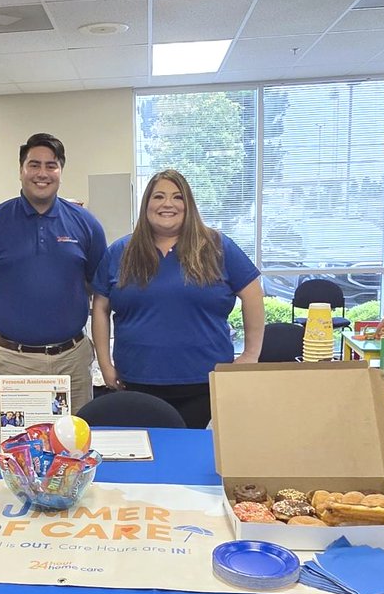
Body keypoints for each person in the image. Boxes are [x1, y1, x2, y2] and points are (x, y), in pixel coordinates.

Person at [92, 169, 263, 429]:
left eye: (177, 197)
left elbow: (252, 294)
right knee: (147, 462)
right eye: (158, 196)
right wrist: (105, 364)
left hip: (203, 382)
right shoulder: (121, 251)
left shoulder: (216, 246)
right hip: (136, 382)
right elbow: (100, 308)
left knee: (194, 461)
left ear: (188, 204)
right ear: (146, 204)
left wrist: (251, 354)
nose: (167, 204)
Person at [0, 133, 107, 412]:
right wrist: (1, 298)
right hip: (12, 362)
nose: (42, 173)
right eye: (34, 165)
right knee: (11, 447)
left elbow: (96, 284)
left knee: (74, 444)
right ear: (21, 170)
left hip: (71, 360)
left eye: (51, 165)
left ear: (61, 171)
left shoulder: (86, 224)